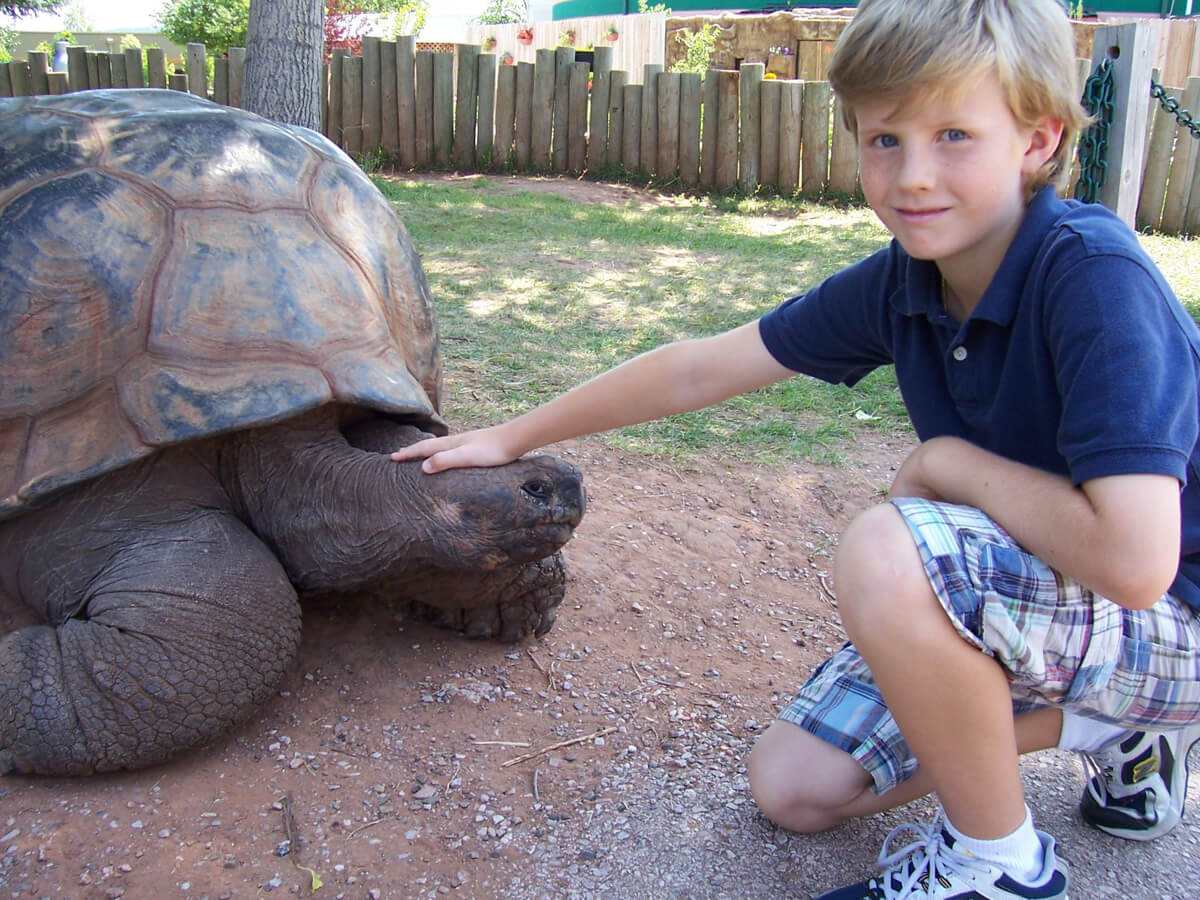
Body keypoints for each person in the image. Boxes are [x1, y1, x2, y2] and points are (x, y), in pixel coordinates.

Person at [392, 0, 1200, 896]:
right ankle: (1112, 732)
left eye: (955, 135)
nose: (913, 175)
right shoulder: (907, 281)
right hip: (1045, 598)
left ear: (1038, 141)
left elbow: (1135, 562)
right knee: (797, 788)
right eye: (884, 138)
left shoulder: (1091, 276)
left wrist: (948, 467)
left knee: (895, 547)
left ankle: (998, 865)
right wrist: (513, 434)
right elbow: (702, 370)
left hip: (1177, 615)